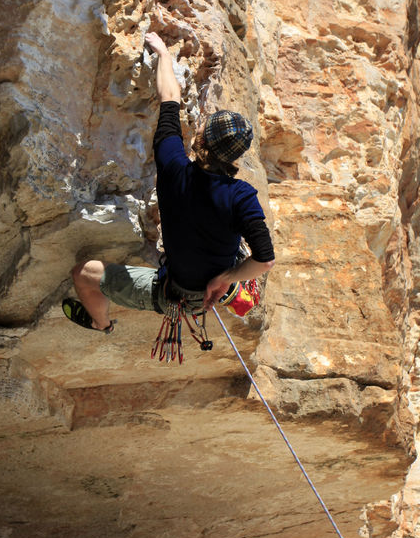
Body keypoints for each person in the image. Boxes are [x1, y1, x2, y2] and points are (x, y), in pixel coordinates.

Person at [63, 30, 275, 333]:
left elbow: (170, 98)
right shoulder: (241, 196)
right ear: (235, 158)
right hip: (213, 287)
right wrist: (225, 278)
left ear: (201, 136)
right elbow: (264, 260)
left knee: (84, 274)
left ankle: (102, 323)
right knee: (237, 245)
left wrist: (162, 53)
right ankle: (232, 289)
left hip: (173, 294)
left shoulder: (173, 162)